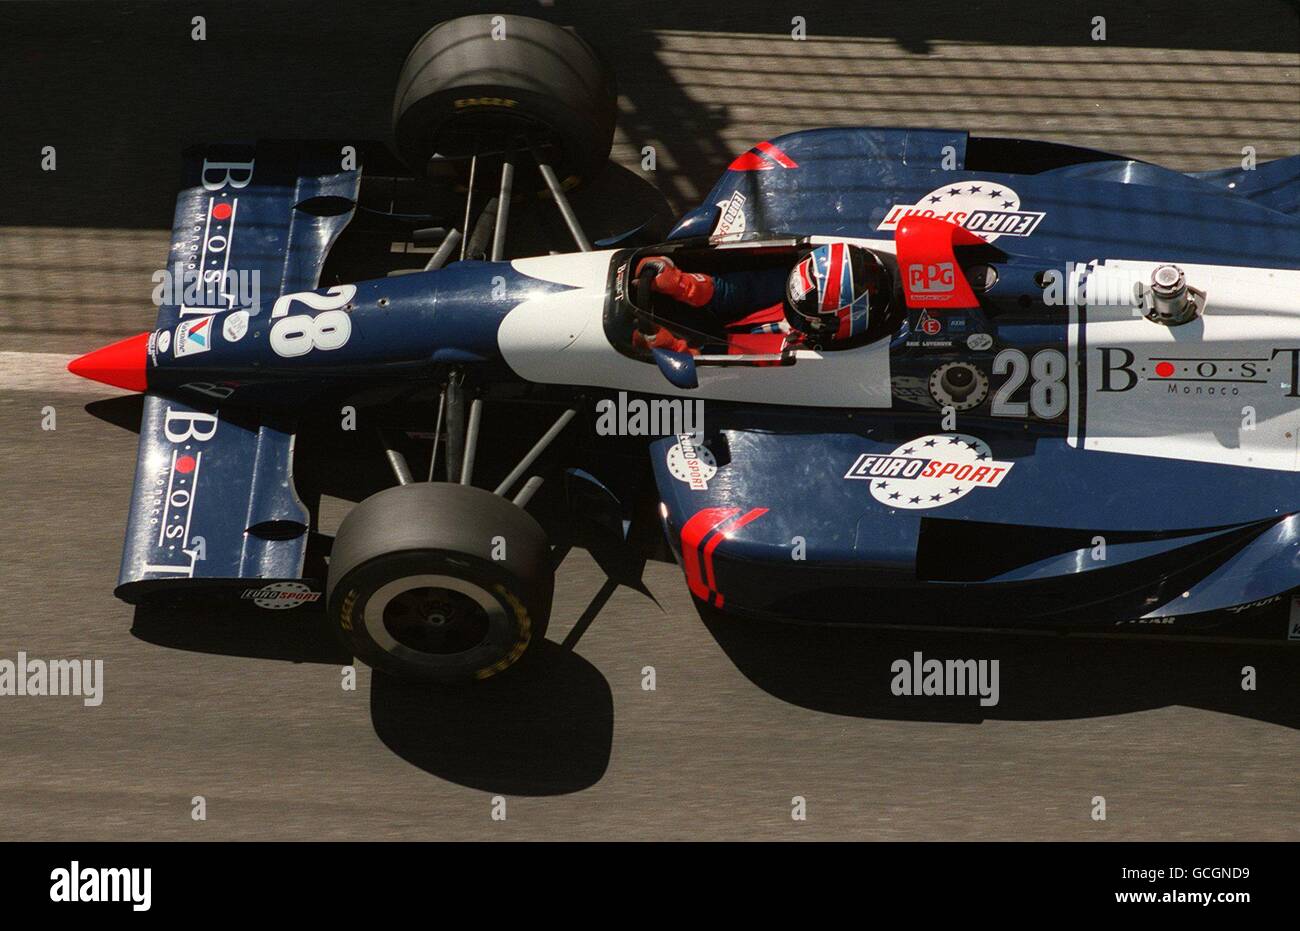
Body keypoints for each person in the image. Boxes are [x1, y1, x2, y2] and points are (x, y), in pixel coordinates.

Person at [632, 241, 894, 355]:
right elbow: (744, 290)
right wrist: (682, 284)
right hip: (718, 327)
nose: (790, 306)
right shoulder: (806, 287)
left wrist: (676, 350)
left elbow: (732, 368)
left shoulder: (814, 362)